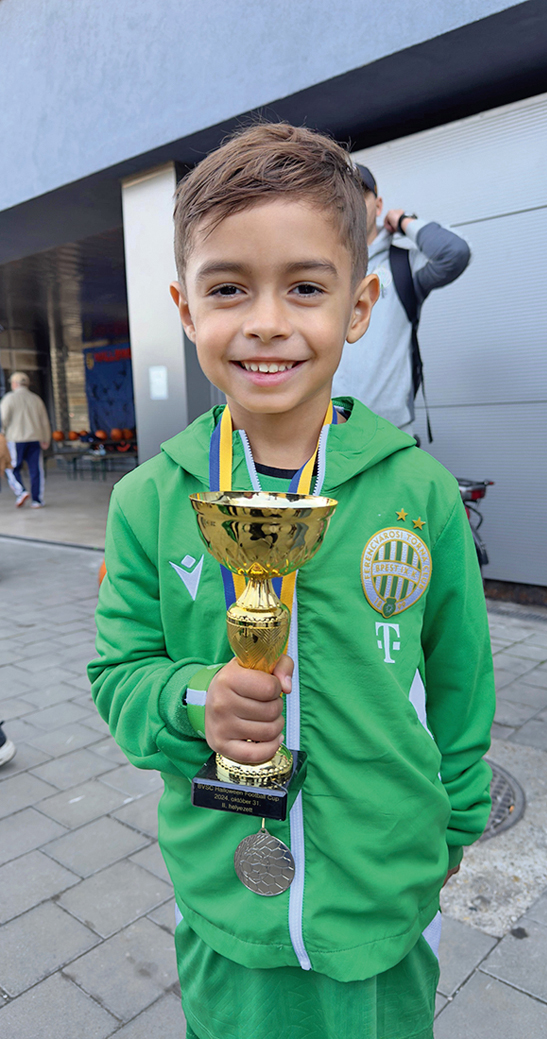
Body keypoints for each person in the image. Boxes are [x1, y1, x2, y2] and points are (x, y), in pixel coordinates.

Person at [89, 123, 494, 1039]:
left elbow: (460, 677)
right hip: (228, 909)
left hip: (383, 895)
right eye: (228, 287)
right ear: (184, 308)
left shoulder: (418, 491)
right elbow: (118, 675)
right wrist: (197, 701)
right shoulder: (148, 499)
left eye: (305, 287)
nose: (266, 320)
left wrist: (453, 824)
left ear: (358, 305)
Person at [332, 163, 471, 437]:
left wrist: (403, 221)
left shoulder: (404, 263)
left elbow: (455, 252)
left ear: (378, 205)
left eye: (360, 194)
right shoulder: (320, 266)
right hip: (328, 428)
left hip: (391, 430)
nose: (353, 205)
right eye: (343, 197)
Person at [0, 371, 51, 507]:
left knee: (12, 467)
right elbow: (44, 421)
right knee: (36, 469)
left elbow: (2, 419)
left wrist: (1, 434)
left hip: (15, 440)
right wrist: (46, 438)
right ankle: (37, 500)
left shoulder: (9, 399)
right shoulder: (36, 399)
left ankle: (21, 491)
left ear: (14, 384)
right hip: (35, 439)